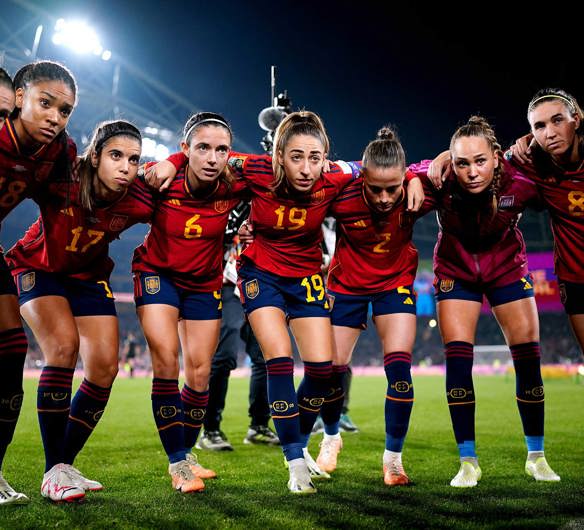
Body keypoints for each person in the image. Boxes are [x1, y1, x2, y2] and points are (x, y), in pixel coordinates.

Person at [7, 119, 151, 503]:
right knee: (63, 348)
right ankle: (54, 469)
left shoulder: (139, 196)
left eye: (134, 159)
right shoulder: (64, 178)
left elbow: (190, 199)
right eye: (116, 155)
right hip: (38, 267)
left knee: (105, 367)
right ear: (95, 155)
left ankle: (62, 465)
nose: (126, 166)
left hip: (87, 276)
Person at [411, 116, 560, 487]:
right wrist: (418, 172)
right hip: (455, 272)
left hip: (507, 269)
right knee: (458, 364)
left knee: (529, 361)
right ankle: (467, 461)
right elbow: (402, 171)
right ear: (452, 163)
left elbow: (560, 166)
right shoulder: (441, 179)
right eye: (462, 163)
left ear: (496, 157)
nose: (472, 172)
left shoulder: (520, 179)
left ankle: (537, 456)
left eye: (480, 161)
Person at [132, 112, 249, 493]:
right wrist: (171, 161)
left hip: (203, 283)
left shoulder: (234, 183)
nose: (212, 158)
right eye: (202, 148)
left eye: (221, 149)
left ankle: (184, 452)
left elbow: (275, 164)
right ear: (185, 149)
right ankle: (177, 463)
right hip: (157, 275)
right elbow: (112, 175)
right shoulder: (161, 176)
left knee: (200, 374)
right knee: (166, 358)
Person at [315, 127, 433, 486]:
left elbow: (447, 165)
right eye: (375, 188)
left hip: (393, 285)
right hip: (346, 285)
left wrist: (415, 176)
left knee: (399, 370)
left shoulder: (418, 193)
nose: (384, 198)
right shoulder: (343, 191)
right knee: (331, 370)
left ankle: (393, 460)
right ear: (362, 176)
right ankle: (331, 437)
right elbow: (312, 174)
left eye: (392, 188)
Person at [0, 61, 77, 505]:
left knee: (12, 353)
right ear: (19, 98)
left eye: (64, 110)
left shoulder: (59, 152)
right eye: (45, 103)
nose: (54, 116)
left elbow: (63, 210)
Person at [508, 89, 584, 355]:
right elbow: (481, 157)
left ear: (576, 118)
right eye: (539, 126)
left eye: (557, 120)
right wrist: (444, 157)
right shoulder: (530, 163)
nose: (549, 132)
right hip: (576, 279)